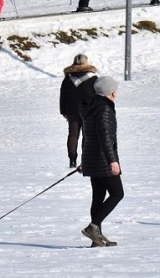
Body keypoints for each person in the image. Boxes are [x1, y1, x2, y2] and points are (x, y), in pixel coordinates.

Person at [80, 75, 123, 248]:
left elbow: (86, 136)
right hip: (103, 159)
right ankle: (93, 227)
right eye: (115, 90)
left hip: (92, 159)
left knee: (98, 197)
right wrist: (112, 160)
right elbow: (105, 137)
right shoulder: (104, 108)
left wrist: (84, 160)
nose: (117, 93)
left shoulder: (91, 106)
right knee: (117, 193)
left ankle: (95, 238)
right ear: (110, 92)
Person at [60, 53, 98, 168]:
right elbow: (96, 95)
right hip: (88, 111)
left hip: (71, 111)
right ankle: (85, 160)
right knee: (86, 135)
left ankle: (72, 159)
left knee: (73, 135)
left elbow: (63, 96)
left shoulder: (68, 78)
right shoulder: (92, 78)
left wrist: (63, 111)